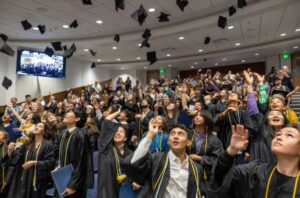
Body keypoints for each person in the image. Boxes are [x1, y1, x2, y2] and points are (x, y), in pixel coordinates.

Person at [122, 120, 207, 198]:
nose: (175, 136)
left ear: (188, 142)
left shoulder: (196, 168)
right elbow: (133, 163)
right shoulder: (156, 159)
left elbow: (200, 193)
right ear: (168, 141)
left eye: (180, 134)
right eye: (172, 134)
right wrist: (150, 134)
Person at [212, 124, 300, 198]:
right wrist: (231, 150)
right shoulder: (255, 171)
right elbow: (222, 175)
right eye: (278, 134)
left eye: (289, 135)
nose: (279, 137)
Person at [97, 107, 140, 198]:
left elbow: (137, 171)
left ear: (125, 138)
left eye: (121, 132)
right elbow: (106, 122)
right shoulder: (105, 148)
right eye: (116, 131)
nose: (117, 133)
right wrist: (117, 112)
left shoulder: (130, 154)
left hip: (125, 192)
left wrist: (137, 180)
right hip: (107, 191)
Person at [6, 122, 55, 198]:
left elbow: (51, 163)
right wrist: (10, 150)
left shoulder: (48, 145)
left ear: (44, 131)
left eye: (40, 126)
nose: (36, 127)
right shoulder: (27, 143)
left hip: (38, 180)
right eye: (36, 125)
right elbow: (15, 158)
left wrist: (35, 163)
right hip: (23, 177)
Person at [57, 110, 93, 198]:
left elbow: (83, 162)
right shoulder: (63, 133)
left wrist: (73, 185)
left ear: (77, 119)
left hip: (76, 182)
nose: (65, 113)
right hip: (62, 177)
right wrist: (57, 166)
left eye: (69, 113)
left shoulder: (81, 135)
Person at [188, 111, 224, 184]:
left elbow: (218, 159)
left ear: (207, 120)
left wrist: (200, 158)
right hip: (186, 172)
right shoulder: (187, 134)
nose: (196, 117)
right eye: (196, 116)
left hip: (204, 176)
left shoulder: (214, 140)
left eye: (200, 116)